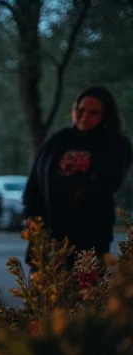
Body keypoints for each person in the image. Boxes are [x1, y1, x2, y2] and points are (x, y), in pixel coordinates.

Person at [24, 86, 132, 259]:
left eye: (93, 112)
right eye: (80, 110)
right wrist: (31, 216)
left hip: (88, 235)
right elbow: (35, 183)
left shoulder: (115, 144)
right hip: (48, 234)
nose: (84, 116)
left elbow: (108, 183)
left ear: (105, 115)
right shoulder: (56, 141)